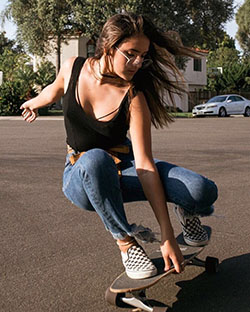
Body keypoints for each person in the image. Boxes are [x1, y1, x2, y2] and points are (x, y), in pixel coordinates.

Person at [21, 12, 218, 280]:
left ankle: (187, 211)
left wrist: (167, 234)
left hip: (124, 169)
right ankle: (126, 243)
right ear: (109, 46)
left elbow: (145, 165)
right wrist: (35, 102)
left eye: (143, 55)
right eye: (130, 53)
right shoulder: (72, 68)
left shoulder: (134, 97)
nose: (138, 62)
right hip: (81, 177)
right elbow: (54, 89)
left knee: (201, 190)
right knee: (95, 159)